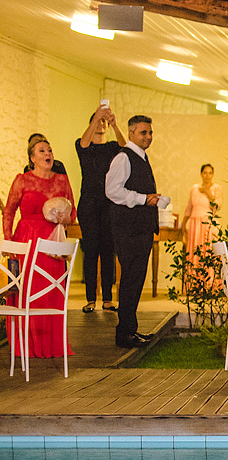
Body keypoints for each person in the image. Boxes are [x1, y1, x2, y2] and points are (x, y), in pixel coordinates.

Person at [3, 136, 76, 359]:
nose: (48, 154)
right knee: (26, 291)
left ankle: (51, 344)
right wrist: (8, 241)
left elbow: (73, 214)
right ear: (32, 158)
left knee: (50, 292)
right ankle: (25, 344)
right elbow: (9, 211)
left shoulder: (62, 180)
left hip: (52, 243)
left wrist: (66, 217)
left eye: (50, 150)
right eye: (42, 151)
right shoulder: (22, 180)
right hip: (25, 239)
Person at [105, 114, 162, 349]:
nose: (148, 137)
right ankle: (124, 334)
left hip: (141, 228)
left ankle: (131, 329)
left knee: (136, 280)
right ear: (131, 133)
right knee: (130, 280)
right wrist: (142, 198)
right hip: (129, 229)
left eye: (150, 132)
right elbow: (112, 190)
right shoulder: (123, 158)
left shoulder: (141, 157)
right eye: (143, 133)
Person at [75, 104, 126, 313]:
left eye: (104, 121)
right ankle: (90, 299)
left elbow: (127, 148)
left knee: (108, 249)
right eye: (99, 121)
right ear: (92, 122)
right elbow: (84, 143)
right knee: (91, 250)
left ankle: (107, 298)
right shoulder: (82, 144)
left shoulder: (113, 147)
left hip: (108, 203)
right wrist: (97, 115)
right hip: (88, 203)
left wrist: (114, 124)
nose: (102, 124)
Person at [181, 163, 222, 258]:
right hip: (195, 224)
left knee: (207, 251)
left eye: (210, 173)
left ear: (213, 175)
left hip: (208, 224)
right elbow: (189, 207)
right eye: (205, 173)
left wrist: (207, 193)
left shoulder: (216, 188)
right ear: (201, 174)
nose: (207, 176)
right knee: (194, 250)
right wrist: (183, 224)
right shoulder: (194, 188)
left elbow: (217, 206)